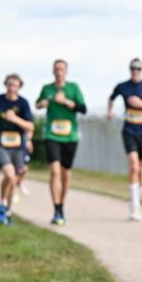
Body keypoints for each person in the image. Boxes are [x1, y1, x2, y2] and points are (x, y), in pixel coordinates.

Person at [36, 59, 87, 226]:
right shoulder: (47, 88)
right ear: (53, 71)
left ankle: (62, 205)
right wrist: (45, 102)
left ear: (66, 71)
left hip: (70, 136)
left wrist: (66, 101)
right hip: (52, 135)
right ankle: (56, 208)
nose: (59, 72)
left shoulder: (73, 88)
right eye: (56, 69)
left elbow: (83, 109)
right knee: (55, 171)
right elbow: (37, 104)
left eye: (62, 69)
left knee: (66, 174)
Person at [107, 58, 142, 221]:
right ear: (129, 70)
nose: (135, 71)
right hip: (128, 130)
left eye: (138, 69)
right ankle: (134, 204)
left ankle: (137, 198)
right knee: (134, 166)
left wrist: (140, 104)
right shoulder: (123, 86)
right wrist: (110, 111)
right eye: (133, 69)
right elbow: (111, 97)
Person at [0, 74, 34, 226]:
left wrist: (15, 119)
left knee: (15, 177)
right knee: (10, 176)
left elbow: (30, 126)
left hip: (18, 147)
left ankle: (7, 211)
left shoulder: (23, 103)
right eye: (9, 85)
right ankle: (3, 204)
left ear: (19, 87)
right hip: (0, 144)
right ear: (5, 85)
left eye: (15, 85)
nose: (12, 88)